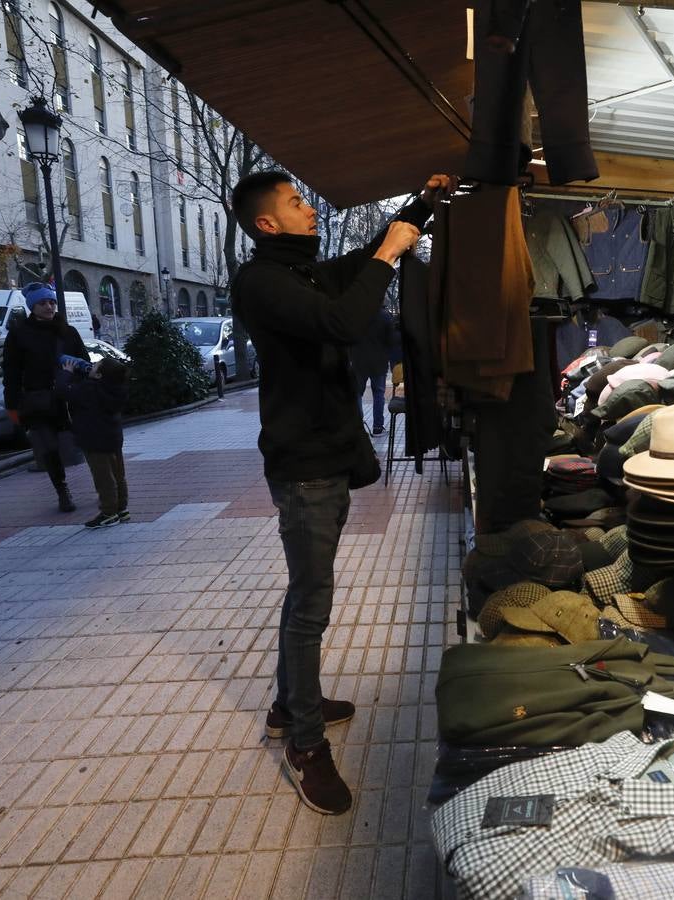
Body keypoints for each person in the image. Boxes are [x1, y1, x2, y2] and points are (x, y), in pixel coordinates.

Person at [230, 169, 450, 815]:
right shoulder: (263, 283)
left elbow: (360, 256)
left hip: (326, 456)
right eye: (296, 203)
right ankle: (303, 741)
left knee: (309, 596)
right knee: (310, 604)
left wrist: (422, 205)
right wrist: (388, 256)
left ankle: (288, 703)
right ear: (267, 223)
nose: (309, 208)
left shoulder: (298, 270)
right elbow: (343, 320)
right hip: (304, 468)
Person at [3, 282, 87, 512]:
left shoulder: (68, 332)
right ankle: (62, 491)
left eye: (51, 302)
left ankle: (105, 489)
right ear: (32, 306)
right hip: (38, 401)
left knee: (88, 442)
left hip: (69, 398)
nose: (49, 307)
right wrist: (12, 403)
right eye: (42, 303)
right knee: (49, 449)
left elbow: (85, 363)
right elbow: (11, 371)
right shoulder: (19, 334)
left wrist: (82, 385)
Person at [57, 355, 129, 528]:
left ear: (99, 376)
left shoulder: (89, 389)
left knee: (103, 477)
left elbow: (63, 391)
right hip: (113, 438)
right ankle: (121, 508)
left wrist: (66, 373)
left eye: (96, 366)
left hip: (94, 440)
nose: (91, 366)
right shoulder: (116, 389)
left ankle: (108, 513)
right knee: (118, 474)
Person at [349, 308, 392, 434]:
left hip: (359, 360)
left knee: (357, 392)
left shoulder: (356, 316)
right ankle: (377, 426)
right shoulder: (385, 316)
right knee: (378, 393)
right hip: (379, 361)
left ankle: (359, 425)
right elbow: (390, 341)